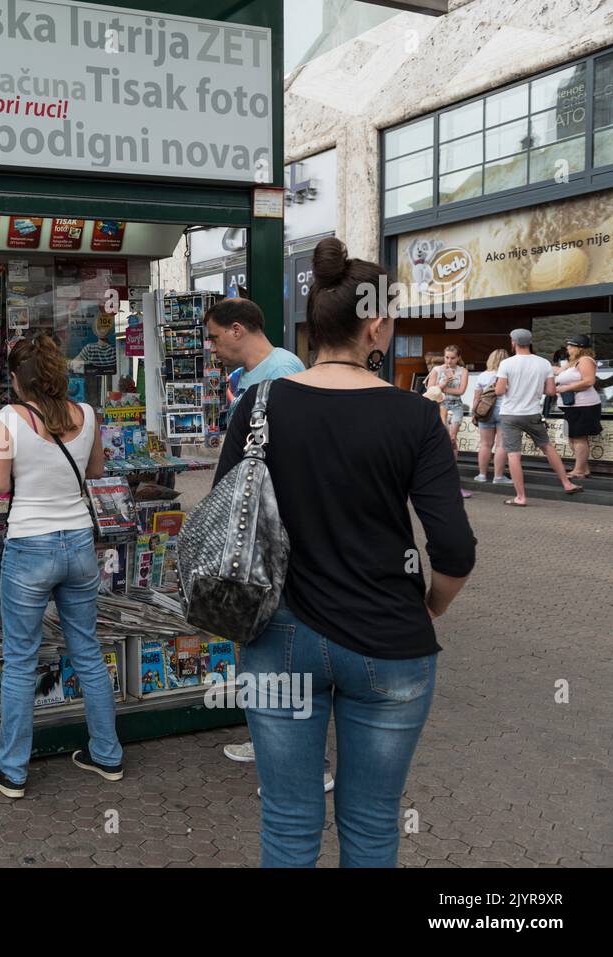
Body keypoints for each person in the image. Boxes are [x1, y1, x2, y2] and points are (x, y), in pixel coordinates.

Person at [218, 238, 475, 867]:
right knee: (371, 822)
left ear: (315, 322)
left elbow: (229, 518)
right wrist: (431, 607)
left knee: (288, 821)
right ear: (378, 324)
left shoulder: (261, 404)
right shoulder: (415, 417)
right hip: (389, 641)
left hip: (277, 634)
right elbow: (455, 548)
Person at [0, 332, 121, 798]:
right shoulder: (87, 415)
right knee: (87, 649)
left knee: (21, 661)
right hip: (80, 545)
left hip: (30, 547)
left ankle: (13, 771)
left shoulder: (9, 417)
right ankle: (107, 755)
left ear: (19, 381)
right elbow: (98, 472)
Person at [205, 298, 317, 774]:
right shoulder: (249, 379)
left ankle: (298, 754)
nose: (211, 348)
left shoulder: (283, 370)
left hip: (273, 532)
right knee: (257, 636)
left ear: (236, 329)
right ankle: (267, 736)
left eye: (213, 337)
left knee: (279, 641)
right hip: (256, 529)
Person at [495, 329, 582, 506]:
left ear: (513, 342)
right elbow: (550, 391)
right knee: (547, 447)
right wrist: (533, 389)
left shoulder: (506, 363)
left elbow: (499, 391)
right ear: (530, 342)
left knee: (513, 454)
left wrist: (513, 387)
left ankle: (521, 497)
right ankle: (567, 483)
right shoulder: (543, 363)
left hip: (510, 414)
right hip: (533, 413)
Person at [205, 297, 305, 408]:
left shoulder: (280, 370)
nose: (212, 348)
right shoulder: (247, 371)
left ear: (236, 331)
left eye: (215, 338)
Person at [554, 334, 600, 480]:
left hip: (584, 405)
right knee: (572, 437)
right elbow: (557, 371)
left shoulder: (585, 360)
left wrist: (566, 388)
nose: (567, 348)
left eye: (570, 346)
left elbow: (589, 381)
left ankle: (579, 470)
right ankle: (583, 468)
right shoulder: (574, 362)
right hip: (572, 406)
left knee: (579, 438)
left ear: (578, 348)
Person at [471, 349, 510, 486]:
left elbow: (476, 397)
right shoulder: (508, 375)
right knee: (501, 445)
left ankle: (482, 475)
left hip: (485, 411)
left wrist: (474, 413)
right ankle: (498, 477)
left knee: (485, 444)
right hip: (504, 411)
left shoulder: (483, 375)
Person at [429, 345, 469, 446]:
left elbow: (461, 391)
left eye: (452, 358)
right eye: (447, 357)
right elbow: (430, 389)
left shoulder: (463, 371)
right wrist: (444, 383)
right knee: (441, 437)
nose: (449, 361)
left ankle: (453, 462)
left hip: (456, 406)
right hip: (440, 405)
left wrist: (442, 388)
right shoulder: (436, 370)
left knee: (452, 438)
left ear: (458, 357)